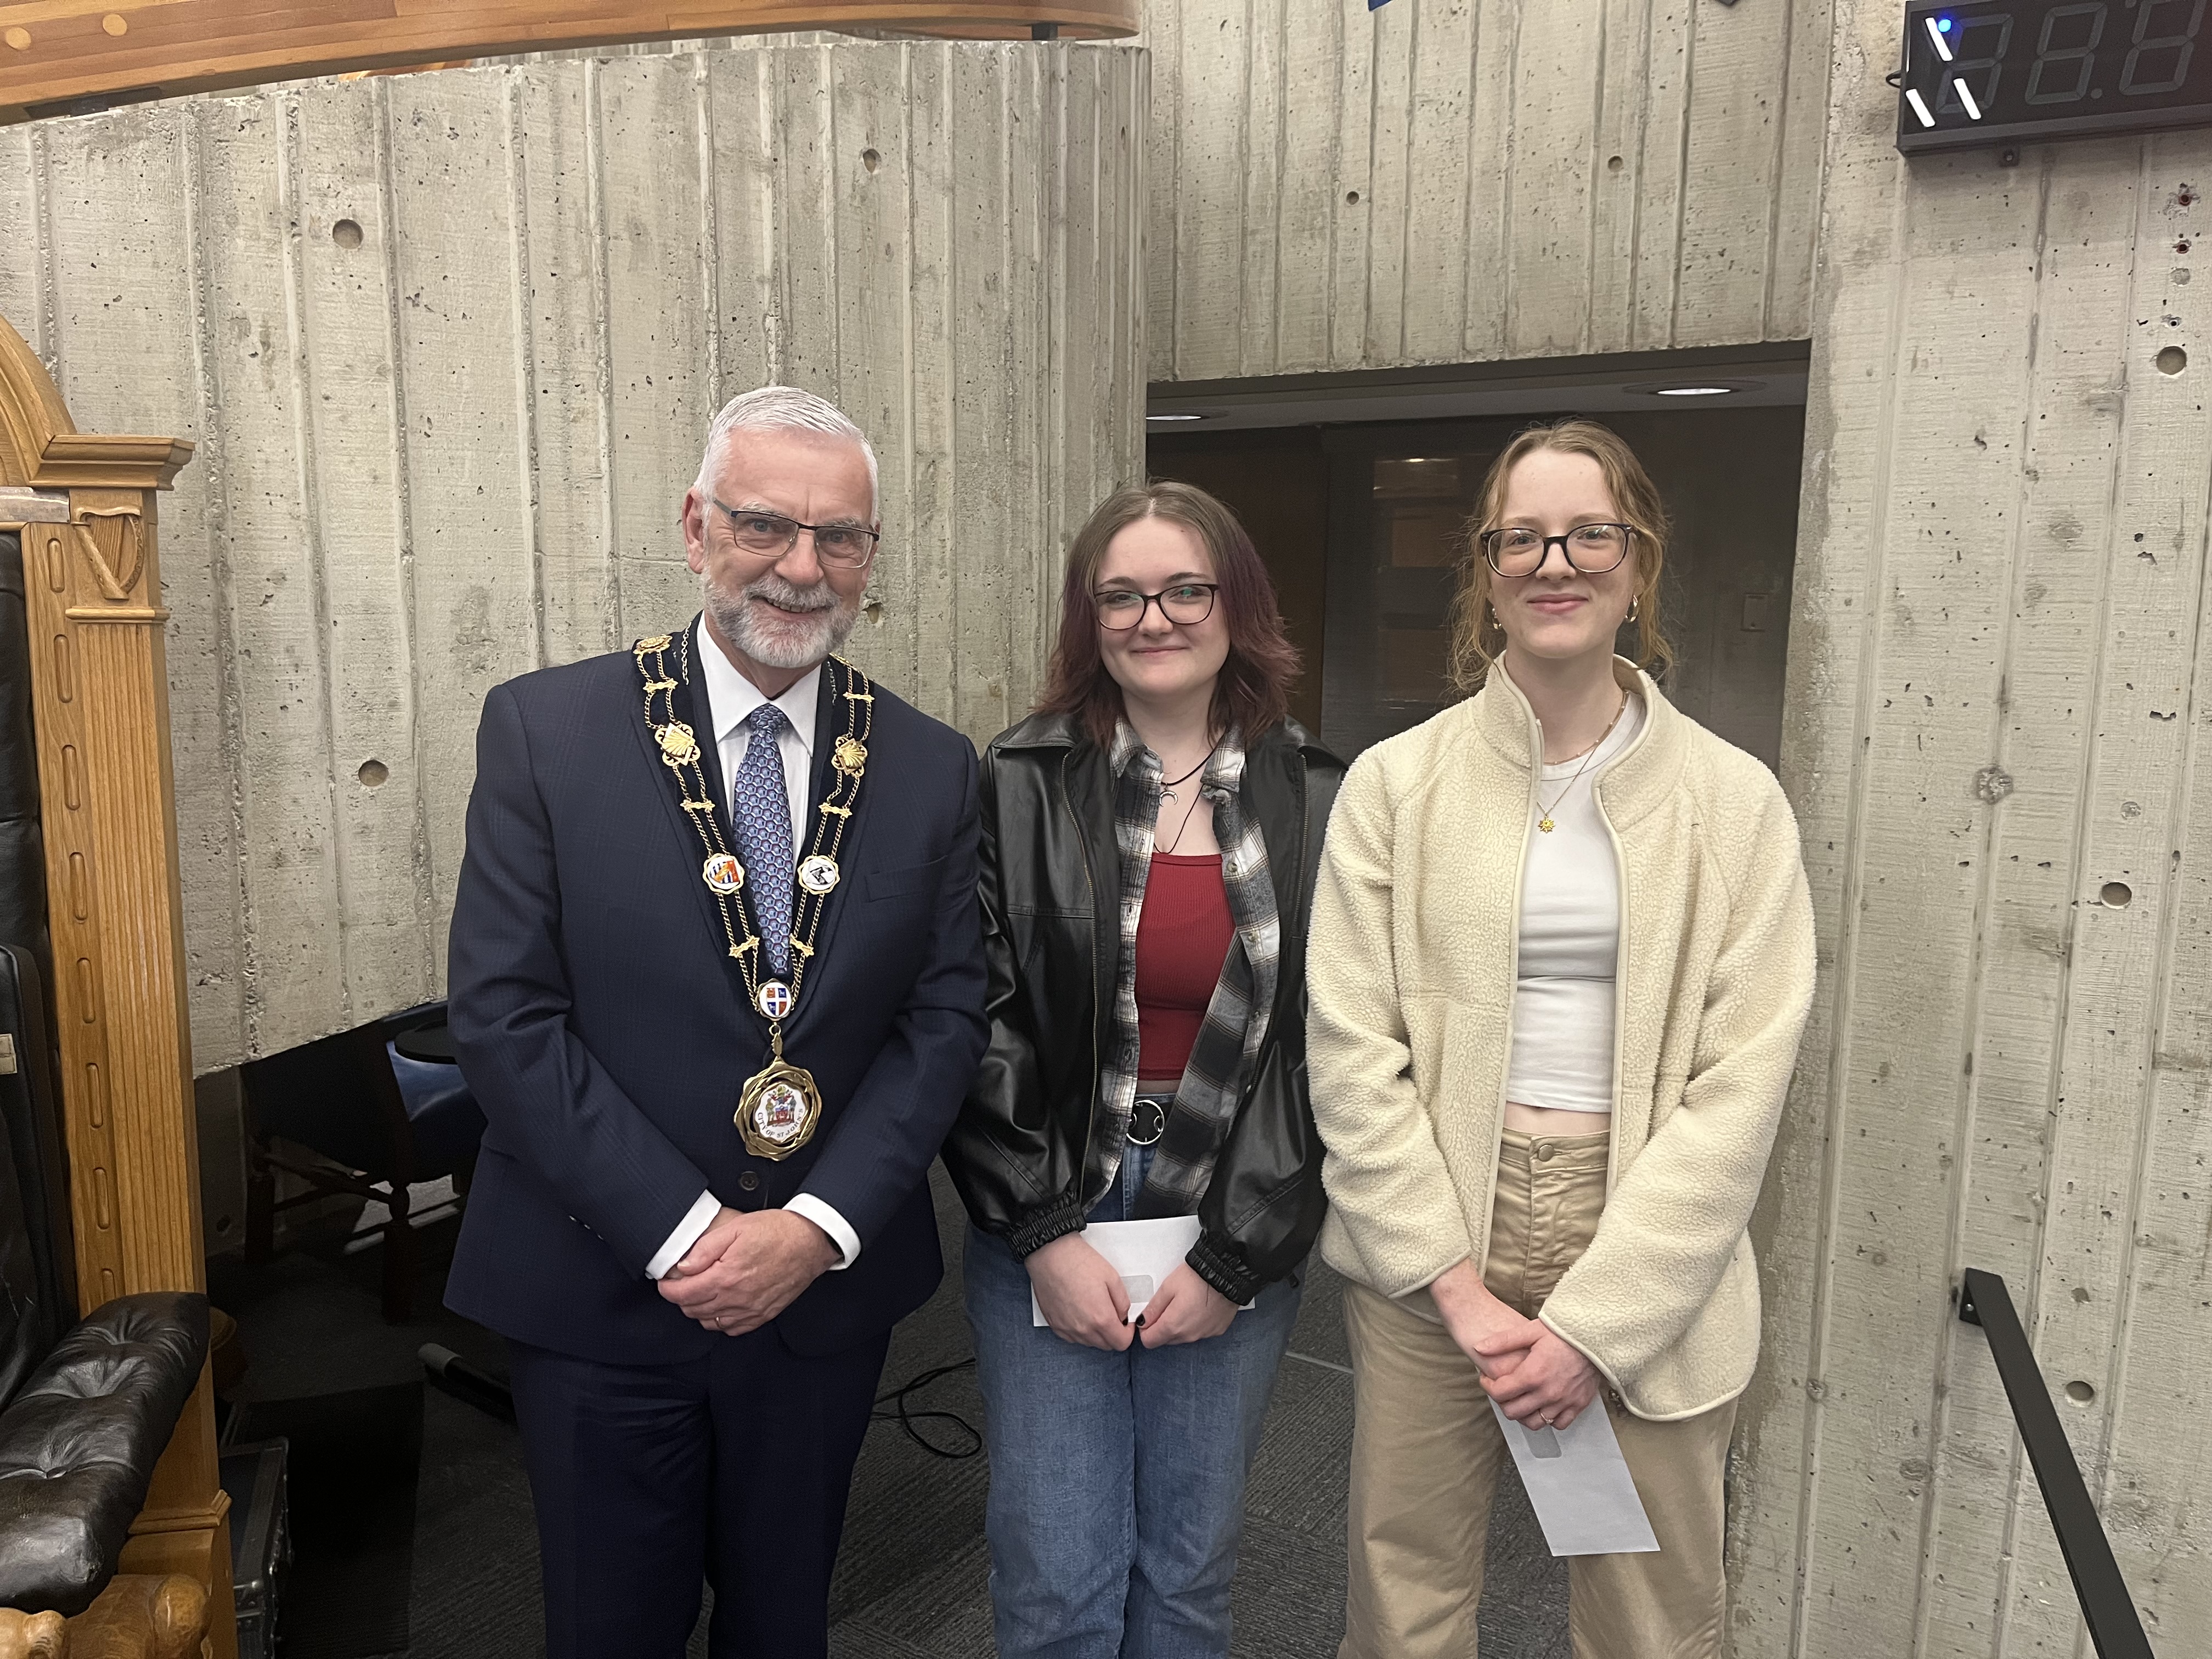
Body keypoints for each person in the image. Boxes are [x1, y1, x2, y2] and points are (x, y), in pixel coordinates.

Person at [443, 386, 988, 1658]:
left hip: (821, 1296)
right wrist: (690, 1235)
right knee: (608, 1627)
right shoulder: (548, 729)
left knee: (784, 1622)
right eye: (764, 525)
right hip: (601, 1286)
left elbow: (944, 1018)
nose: (803, 567)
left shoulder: (927, 762)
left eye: (840, 537)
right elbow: (506, 1017)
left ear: (869, 557)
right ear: (697, 527)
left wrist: (812, 1228)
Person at [1307, 419, 1816, 1658]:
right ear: (1486, 569)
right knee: (1406, 1599)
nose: (1557, 562)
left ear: (1638, 563)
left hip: (1644, 1224)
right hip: (1437, 1233)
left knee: (1651, 1616)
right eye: (1522, 537)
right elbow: (1351, 1045)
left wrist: (1599, 1320)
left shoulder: (1734, 802)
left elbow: (1741, 1087)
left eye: (1593, 533)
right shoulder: (1395, 785)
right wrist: (1452, 1280)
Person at [943, 481, 1343, 1659]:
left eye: (1184, 589)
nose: (1152, 617)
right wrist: (1043, 1227)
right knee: (1057, 1578)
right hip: (1056, 1201)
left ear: (1237, 605)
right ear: (1088, 614)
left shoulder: (1323, 794)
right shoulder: (1014, 781)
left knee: (1184, 1577)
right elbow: (978, 1013)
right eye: (1120, 594)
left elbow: (1339, 1047)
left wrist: (1237, 1255)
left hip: (1234, 1211)